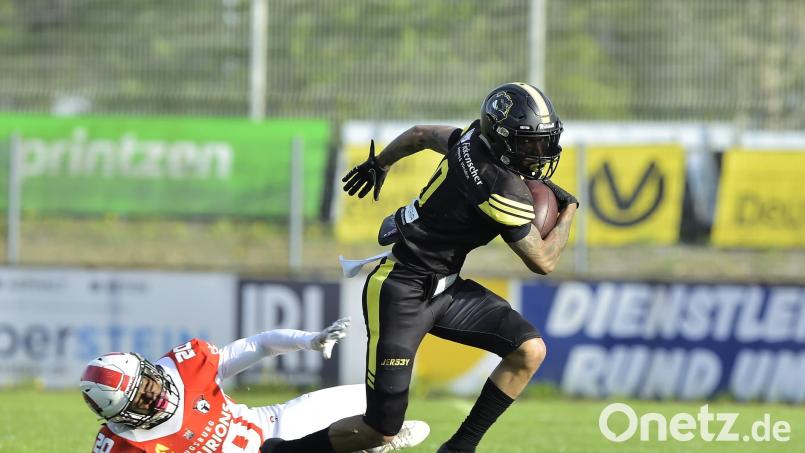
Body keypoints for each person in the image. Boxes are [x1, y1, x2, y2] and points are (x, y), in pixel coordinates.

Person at [265, 82, 578, 453]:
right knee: (379, 431)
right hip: (400, 289)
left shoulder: (474, 139)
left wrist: (380, 162)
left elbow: (420, 134)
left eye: (545, 141)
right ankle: (281, 452)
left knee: (529, 350)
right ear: (504, 139)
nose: (541, 152)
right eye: (530, 143)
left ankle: (458, 449)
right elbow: (543, 260)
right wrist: (569, 210)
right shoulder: (499, 188)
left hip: (444, 287)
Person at [79, 317, 430, 453]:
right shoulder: (123, 444)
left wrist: (310, 340)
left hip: (273, 423)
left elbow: (258, 345)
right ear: (123, 415)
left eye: (147, 382)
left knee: (377, 399)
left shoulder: (182, 367)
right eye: (139, 399)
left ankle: (373, 442)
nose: (153, 393)